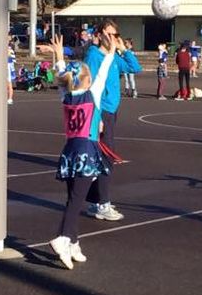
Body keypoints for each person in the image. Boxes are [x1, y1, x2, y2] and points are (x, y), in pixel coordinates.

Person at [47, 33, 118, 269]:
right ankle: (63, 237)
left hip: (70, 150)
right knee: (78, 199)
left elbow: (62, 76)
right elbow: (103, 73)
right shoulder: (92, 94)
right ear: (87, 80)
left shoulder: (66, 96)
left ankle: (73, 242)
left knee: (73, 197)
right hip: (87, 149)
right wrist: (111, 51)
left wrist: (59, 56)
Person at [83, 20, 142, 222]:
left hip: (111, 111)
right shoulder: (94, 55)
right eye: (109, 35)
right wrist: (95, 117)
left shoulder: (114, 56)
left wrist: (124, 49)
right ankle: (103, 204)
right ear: (99, 35)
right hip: (102, 112)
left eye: (116, 35)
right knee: (107, 158)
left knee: (101, 157)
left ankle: (94, 200)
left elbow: (135, 68)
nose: (113, 39)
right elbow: (89, 87)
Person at [7, 39, 17, 105]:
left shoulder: (10, 50)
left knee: (9, 84)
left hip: (8, 67)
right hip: (5, 67)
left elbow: (12, 60)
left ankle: (10, 99)